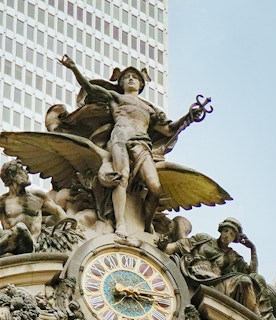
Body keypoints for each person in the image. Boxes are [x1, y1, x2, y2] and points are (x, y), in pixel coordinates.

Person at [59, 54, 201, 235]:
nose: (131, 79)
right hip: (120, 138)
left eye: (135, 77)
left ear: (141, 85)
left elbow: (168, 130)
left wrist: (188, 118)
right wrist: (73, 68)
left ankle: (146, 225)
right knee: (122, 177)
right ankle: (120, 225)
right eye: (127, 77)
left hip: (142, 144)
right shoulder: (116, 98)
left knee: (155, 188)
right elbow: (90, 88)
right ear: (121, 83)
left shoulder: (150, 109)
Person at [161, 217, 276, 320]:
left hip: (217, 282)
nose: (227, 235)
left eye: (231, 234)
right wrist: (164, 246)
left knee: (246, 281)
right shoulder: (203, 239)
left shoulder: (232, 256)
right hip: (195, 273)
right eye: (226, 231)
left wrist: (252, 249)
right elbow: (178, 246)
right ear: (221, 230)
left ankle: (257, 319)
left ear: (234, 239)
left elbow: (252, 273)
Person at [0, 159, 67, 263]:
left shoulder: (38, 196)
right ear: (13, 176)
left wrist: (71, 227)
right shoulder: (0, 202)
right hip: (2, 240)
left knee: (20, 228)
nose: (26, 173)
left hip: (27, 245)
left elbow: (58, 211)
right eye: (22, 171)